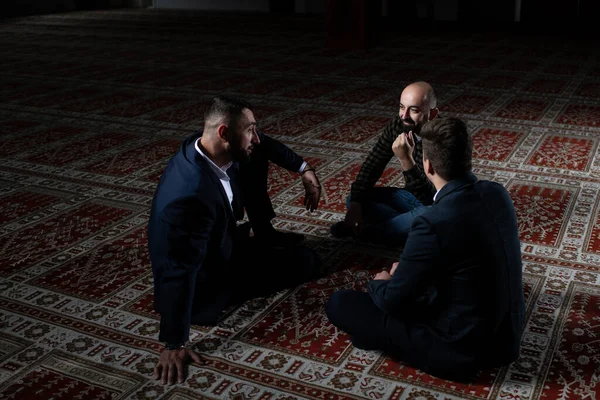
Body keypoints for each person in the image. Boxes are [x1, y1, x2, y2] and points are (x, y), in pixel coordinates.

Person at [325, 117, 525, 382]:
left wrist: (383, 283)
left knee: (341, 303)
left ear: (427, 165)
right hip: (506, 339)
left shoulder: (431, 222)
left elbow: (393, 302)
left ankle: (385, 338)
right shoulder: (497, 193)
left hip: (461, 349)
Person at [148, 95, 321, 385]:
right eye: (250, 129)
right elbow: (179, 268)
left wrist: (305, 169)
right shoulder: (189, 197)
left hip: (219, 240)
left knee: (253, 157)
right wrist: (173, 343)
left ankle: (264, 234)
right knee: (307, 262)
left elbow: (265, 144)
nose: (256, 135)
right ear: (224, 133)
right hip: (208, 274)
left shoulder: (203, 145)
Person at [330, 81, 439, 244]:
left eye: (414, 110)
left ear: (432, 114)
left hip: (437, 205)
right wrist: (355, 204)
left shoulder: (444, 137)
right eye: (402, 107)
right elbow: (374, 161)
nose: (404, 115)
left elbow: (431, 198)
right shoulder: (400, 124)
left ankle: (369, 232)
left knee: (429, 216)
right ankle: (411, 230)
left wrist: (406, 161)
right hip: (411, 198)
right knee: (355, 198)